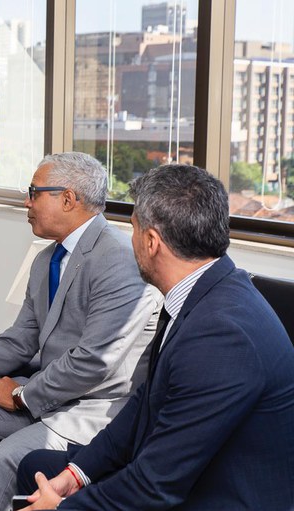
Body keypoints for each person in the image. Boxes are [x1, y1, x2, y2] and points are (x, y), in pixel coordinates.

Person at [15, 164, 294, 510]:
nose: (128, 239)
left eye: (132, 227)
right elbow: (146, 402)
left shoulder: (222, 335)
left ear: (151, 242)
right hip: (184, 468)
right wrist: (76, 474)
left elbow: (155, 486)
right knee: (37, 467)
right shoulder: (203, 291)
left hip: (216, 495)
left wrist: (62, 509)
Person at [0, 152, 162, 511]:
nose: (27, 202)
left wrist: (22, 394)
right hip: (43, 397)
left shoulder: (118, 259)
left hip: (92, 410)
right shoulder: (45, 260)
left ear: (68, 199)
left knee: (6, 456)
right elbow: (22, 336)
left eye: (34, 192)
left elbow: (93, 362)